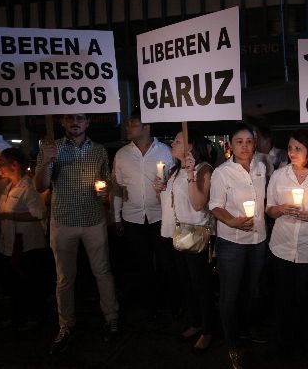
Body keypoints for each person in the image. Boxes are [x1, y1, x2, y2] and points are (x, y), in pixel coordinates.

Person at [34, 113, 119, 355]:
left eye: (80, 118)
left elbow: (107, 182)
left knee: (102, 271)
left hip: (93, 219)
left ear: (88, 122)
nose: (75, 122)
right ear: (61, 122)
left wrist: (105, 193)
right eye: (70, 118)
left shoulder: (99, 150)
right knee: (64, 277)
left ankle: (111, 318)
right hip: (63, 221)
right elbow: (40, 186)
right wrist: (47, 162)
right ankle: (65, 325)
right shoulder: (52, 148)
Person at [265, 129, 308, 359]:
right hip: (282, 246)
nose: (292, 152)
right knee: (283, 299)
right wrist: (282, 209)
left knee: (307, 300)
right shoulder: (278, 176)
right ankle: (283, 345)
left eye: (298, 148)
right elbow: (270, 209)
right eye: (290, 148)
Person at [209, 123, 267, 369]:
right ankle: (232, 345)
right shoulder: (222, 172)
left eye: (249, 141)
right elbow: (214, 205)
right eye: (239, 142)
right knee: (230, 295)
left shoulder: (261, 167)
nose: (245, 146)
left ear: (255, 144)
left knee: (250, 290)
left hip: (258, 240)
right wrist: (231, 220)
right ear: (231, 145)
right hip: (232, 242)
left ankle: (244, 330)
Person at [159, 129, 217, 352]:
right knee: (186, 282)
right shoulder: (174, 170)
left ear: (190, 147)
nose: (172, 144)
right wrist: (160, 190)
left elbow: (198, 204)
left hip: (196, 234)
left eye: (178, 141)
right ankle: (195, 322)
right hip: (177, 233)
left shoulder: (203, 169)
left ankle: (208, 329)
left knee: (201, 285)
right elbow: (172, 203)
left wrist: (191, 174)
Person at [111, 110, 174, 316]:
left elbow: (174, 185)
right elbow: (118, 187)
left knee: (165, 261)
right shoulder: (122, 155)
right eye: (128, 124)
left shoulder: (165, 151)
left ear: (147, 127)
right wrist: (117, 216)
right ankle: (148, 304)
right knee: (141, 263)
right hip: (133, 217)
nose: (128, 128)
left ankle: (168, 302)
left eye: (133, 124)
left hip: (160, 216)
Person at [0, 148, 50, 330]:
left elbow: (39, 214)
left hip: (26, 244)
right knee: (13, 283)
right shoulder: (9, 186)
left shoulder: (28, 187)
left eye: (2, 163)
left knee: (28, 282)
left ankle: (32, 318)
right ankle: (16, 317)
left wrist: (5, 216)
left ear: (14, 165)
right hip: (10, 243)